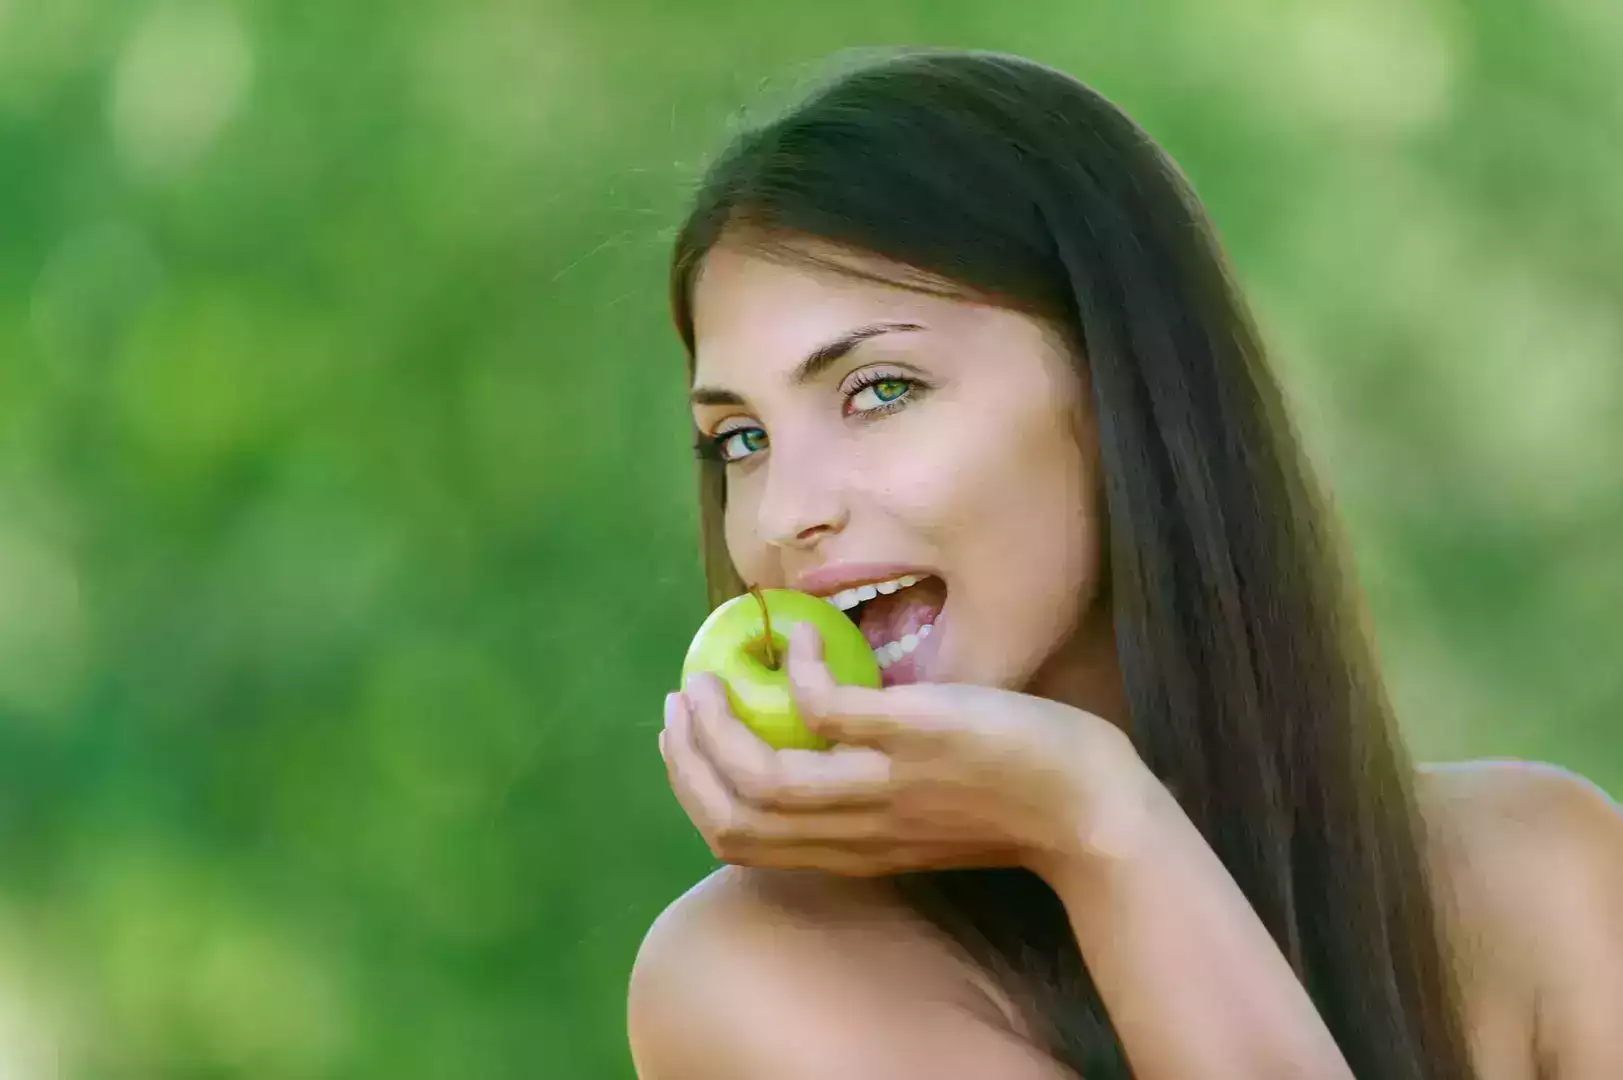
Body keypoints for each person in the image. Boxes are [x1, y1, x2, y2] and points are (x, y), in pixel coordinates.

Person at [625, 47, 1623, 1079]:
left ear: (1121, 389)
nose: (785, 513)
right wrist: (1096, 824)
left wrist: (1105, 820)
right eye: (740, 439)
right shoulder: (752, 980)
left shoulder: (1547, 879)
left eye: (880, 390)